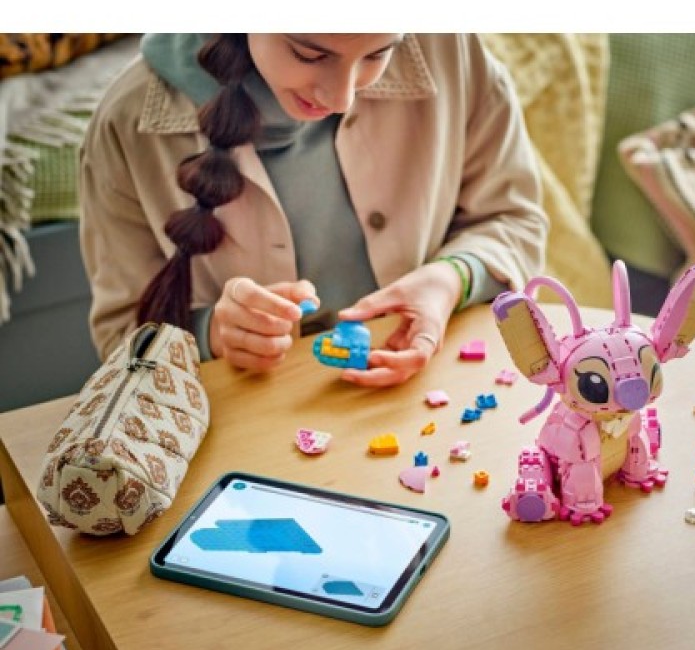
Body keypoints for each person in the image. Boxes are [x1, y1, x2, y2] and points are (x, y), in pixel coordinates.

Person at [79, 33, 548, 387]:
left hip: (428, 397)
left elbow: (514, 219)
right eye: (309, 54)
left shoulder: (452, 49)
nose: (341, 97)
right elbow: (121, 336)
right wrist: (212, 336)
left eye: (378, 54)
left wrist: (451, 278)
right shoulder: (127, 122)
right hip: (248, 435)